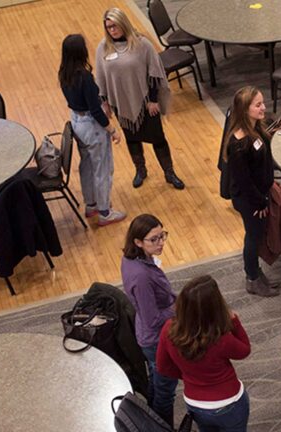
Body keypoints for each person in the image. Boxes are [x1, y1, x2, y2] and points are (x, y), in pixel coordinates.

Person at [95, 8, 185, 190]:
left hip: (146, 104)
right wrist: (104, 101)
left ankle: (169, 173)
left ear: (123, 23)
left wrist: (153, 101)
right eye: (109, 27)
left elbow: (154, 73)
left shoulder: (142, 44)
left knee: (158, 138)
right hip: (121, 104)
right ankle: (140, 170)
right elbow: (101, 77)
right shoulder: (103, 48)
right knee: (132, 138)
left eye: (115, 25)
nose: (112, 30)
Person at [157, 275, 251, 432]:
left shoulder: (168, 329)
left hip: (195, 403)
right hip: (229, 402)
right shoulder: (220, 337)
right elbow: (244, 350)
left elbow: (163, 367)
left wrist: (190, 376)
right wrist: (234, 321)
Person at [58, 33, 126, 226]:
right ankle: (105, 212)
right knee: (103, 168)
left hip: (77, 124)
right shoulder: (85, 77)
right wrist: (113, 130)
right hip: (92, 127)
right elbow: (95, 110)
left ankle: (91, 205)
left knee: (87, 165)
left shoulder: (64, 73)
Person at [221, 86, 278, 297]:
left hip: (258, 194)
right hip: (250, 200)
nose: (264, 107)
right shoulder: (239, 144)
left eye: (262, 102)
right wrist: (260, 202)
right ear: (245, 109)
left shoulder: (256, 130)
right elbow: (244, 182)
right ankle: (252, 278)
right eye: (258, 105)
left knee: (255, 235)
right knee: (253, 237)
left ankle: (255, 272)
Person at [121, 214, 177, 426]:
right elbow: (152, 319)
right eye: (154, 239)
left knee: (156, 381)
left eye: (162, 235)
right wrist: (176, 308)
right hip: (156, 339)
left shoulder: (131, 258)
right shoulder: (142, 276)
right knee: (165, 392)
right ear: (137, 241)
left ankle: (150, 422)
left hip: (149, 335)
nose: (161, 242)